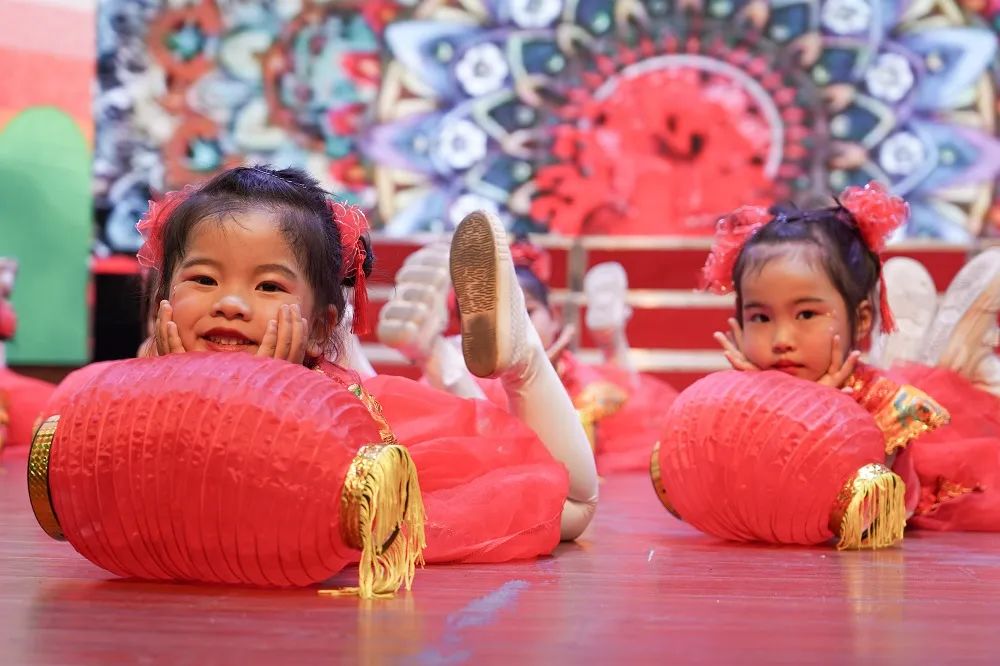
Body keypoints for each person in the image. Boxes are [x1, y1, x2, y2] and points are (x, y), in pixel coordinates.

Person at [136, 165, 598, 562]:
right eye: (204, 279)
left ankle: (525, 360)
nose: (231, 304)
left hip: (365, 455)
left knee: (572, 503)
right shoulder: (132, 389)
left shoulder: (340, 414)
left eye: (269, 287)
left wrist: (266, 395)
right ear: (163, 300)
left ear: (318, 330)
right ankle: (421, 350)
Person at [703, 182, 949, 516]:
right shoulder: (737, 401)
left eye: (806, 314)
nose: (781, 339)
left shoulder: (882, 405)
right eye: (760, 318)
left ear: (861, 319)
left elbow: (873, 511)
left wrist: (822, 412)